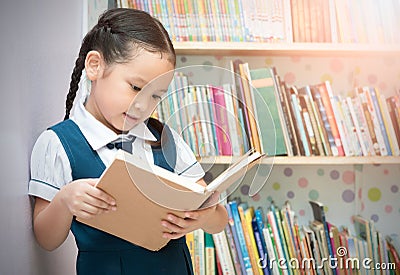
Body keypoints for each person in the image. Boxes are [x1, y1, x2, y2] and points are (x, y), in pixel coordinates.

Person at [29, 8, 228, 274]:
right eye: (136, 87)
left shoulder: (166, 140)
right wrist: (65, 200)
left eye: (156, 96)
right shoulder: (57, 144)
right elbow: (46, 239)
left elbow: (218, 220)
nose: (143, 105)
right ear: (95, 66)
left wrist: (204, 217)